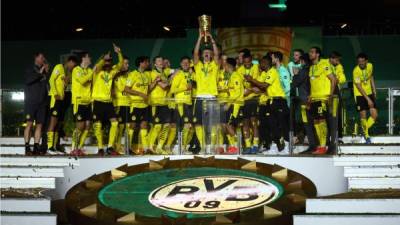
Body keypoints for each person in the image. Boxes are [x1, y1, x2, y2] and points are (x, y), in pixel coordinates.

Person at [245, 54, 288, 152]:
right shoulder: (265, 73)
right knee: (268, 123)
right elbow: (259, 86)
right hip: (270, 100)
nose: (259, 64)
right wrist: (252, 84)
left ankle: (283, 143)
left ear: (265, 63)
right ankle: (274, 144)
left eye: (261, 63)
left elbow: (264, 85)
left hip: (278, 100)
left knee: (277, 123)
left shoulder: (272, 72)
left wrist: (252, 80)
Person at [91, 43, 123, 155]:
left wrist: (119, 53)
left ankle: (110, 147)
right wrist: (103, 59)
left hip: (108, 102)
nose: (108, 63)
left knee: (114, 123)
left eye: (109, 62)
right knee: (97, 124)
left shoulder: (112, 72)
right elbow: (98, 66)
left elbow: (120, 65)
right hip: (98, 102)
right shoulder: (97, 71)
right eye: (106, 62)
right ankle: (100, 147)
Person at [192, 29, 220, 152]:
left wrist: (212, 40)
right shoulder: (198, 66)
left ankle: (211, 147)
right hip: (199, 97)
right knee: (198, 123)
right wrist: (199, 38)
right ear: (203, 55)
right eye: (205, 53)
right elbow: (195, 53)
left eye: (209, 53)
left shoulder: (215, 65)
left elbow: (217, 55)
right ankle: (203, 146)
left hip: (212, 98)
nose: (207, 54)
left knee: (212, 124)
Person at [46, 55, 78, 154]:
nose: (74, 67)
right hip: (56, 99)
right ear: (70, 61)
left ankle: (54, 147)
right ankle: (49, 147)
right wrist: (55, 94)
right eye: (74, 64)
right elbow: (51, 80)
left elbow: (67, 84)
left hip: (62, 101)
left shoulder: (68, 72)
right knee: (53, 123)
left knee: (59, 124)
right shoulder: (59, 67)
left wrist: (68, 81)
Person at [308, 46, 336, 154]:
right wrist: (310, 96)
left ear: (318, 54)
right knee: (316, 121)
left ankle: (323, 146)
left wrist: (330, 95)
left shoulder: (324, 65)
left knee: (321, 120)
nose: (310, 54)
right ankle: (321, 145)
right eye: (310, 52)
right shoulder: (311, 68)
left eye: (312, 52)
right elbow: (313, 83)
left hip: (323, 98)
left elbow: (333, 79)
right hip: (314, 99)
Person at [24, 52, 50, 155]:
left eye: (43, 57)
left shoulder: (44, 72)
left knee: (40, 125)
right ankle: (27, 147)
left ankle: (36, 146)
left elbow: (46, 87)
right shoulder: (30, 69)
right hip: (31, 102)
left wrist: (46, 73)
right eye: (41, 57)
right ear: (36, 58)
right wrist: (40, 73)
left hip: (42, 103)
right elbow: (28, 81)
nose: (43, 59)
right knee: (29, 124)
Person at [124, 56, 151, 154]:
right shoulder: (132, 75)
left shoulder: (147, 75)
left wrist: (155, 83)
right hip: (135, 105)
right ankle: (127, 148)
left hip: (145, 105)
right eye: (146, 62)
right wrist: (140, 94)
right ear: (141, 63)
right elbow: (126, 89)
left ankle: (146, 149)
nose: (148, 64)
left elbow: (148, 89)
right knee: (132, 126)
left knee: (144, 126)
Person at [291, 53, 317, 153]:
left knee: (307, 122)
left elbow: (295, 84)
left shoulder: (303, 71)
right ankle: (314, 143)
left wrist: (295, 74)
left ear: (302, 61)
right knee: (314, 122)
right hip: (312, 98)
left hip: (305, 100)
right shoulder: (312, 69)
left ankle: (312, 145)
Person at [169, 56, 194, 153]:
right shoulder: (178, 75)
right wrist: (185, 88)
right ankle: (181, 147)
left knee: (189, 126)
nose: (185, 64)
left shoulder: (191, 74)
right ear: (180, 64)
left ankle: (182, 147)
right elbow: (172, 90)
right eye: (183, 62)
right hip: (181, 103)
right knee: (185, 125)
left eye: (187, 62)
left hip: (189, 102)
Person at [237, 51, 260, 154]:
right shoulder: (239, 70)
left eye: (248, 62)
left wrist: (250, 88)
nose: (247, 64)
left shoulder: (256, 67)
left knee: (254, 122)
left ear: (251, 61)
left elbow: (257, 84)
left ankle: (255, 144)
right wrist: (251, 89)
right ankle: (248, 145)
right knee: (245, 123)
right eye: (245, 63)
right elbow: (241, 88)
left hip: (253, 99)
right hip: (244, 100)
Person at [148, 56, 171, 154]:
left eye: (162, 60)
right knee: (157, 126)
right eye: (158, 61)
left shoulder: (163, 74)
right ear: (155, 64)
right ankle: (150, 146)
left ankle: (159, 147)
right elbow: (164, 86)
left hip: (164, 103)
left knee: (166, 125)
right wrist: (171, 79)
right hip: (156, 103)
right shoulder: (154, 73)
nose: (161, 62)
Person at [70, 51, 93, 155]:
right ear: (83, 58)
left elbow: (90, 83)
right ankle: (73, 148)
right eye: (89, 56)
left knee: (88, 126)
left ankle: (79, 148)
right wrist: (93, 72)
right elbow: (83, 81)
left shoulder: (89, 70)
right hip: (78, 102)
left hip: (88, 102)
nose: (90, 58)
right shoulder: (76, 70)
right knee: (80, 126)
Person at [353, 53, 377, 144]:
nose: (361, 63)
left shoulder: (370, 65)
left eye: (363, 61)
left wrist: (374, 89)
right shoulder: (356, 71)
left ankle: (362, 129)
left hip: (369, 93)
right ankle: (366, 136)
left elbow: (371, 76)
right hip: (359, 94)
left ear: (366, 61)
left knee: (374, 115)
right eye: (359, 61)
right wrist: (368, 99)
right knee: (363, 115)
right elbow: (359, 86)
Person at [222, 57, 243, 154]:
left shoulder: (235, 76)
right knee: (228, 125)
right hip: (233, 104)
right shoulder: (231, 76)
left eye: (224, 65)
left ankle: (238, 146)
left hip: (235, 105)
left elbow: (237, 93)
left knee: (229, 125)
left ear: (228, 66)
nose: (223, 66)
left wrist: (228, 103)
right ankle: (234, 146)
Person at [112, 55, 131, 154]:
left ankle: (127, 147)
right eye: (125, 63)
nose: (127, 65)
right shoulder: (117, 75)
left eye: (128, 63)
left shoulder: (130, 75)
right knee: (120, 126)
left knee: (128, 126)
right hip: (119, 103)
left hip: (129, 103)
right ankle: (116, 146)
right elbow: (122, 88)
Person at [329, 51, 346, 149]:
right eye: (337, 60)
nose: (338, 62)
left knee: (337, 114)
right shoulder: (325, 64)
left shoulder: (339, 67)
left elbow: (343, 78)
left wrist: (335, 80)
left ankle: (338, 136)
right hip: (325, 91)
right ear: (332, 58)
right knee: (326, 115)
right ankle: (328, 137)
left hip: (335, 91)